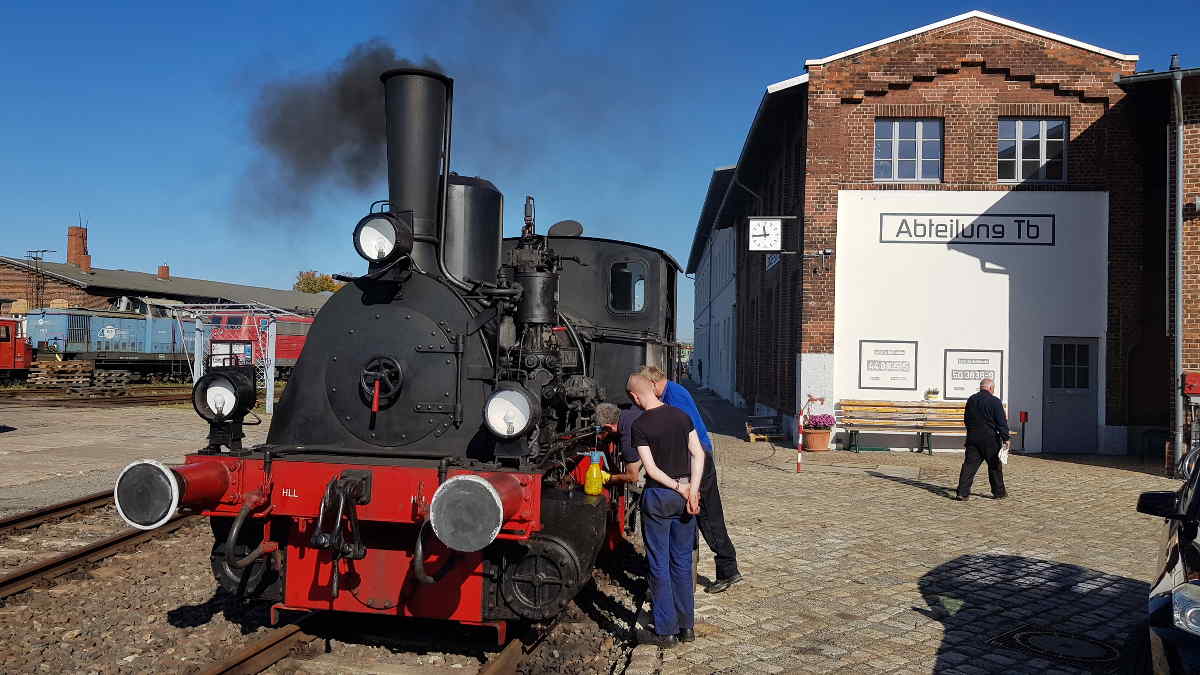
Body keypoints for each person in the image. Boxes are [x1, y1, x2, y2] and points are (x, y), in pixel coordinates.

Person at [638, 365, 742, 593]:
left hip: (698, 461)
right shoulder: (673, 391)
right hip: (696, 458)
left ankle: (728, 569)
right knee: (706, 515)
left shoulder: (674, 397)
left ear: (653, 384)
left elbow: (682, 433)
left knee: (708, 516)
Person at [628, 374, 705, 648]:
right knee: (682, 562)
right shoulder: (681, 416)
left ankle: (666, 631)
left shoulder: (640, 425)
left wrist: (677, 487)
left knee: (659, 563)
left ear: (635, 397)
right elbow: (699, 454)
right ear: (653, 388)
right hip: (685, 496)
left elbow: (650, 470)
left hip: (660, 496)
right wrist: (692, 489)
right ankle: (687, 627)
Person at [955, 378, 1010, 501]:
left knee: (969, 466)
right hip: (990, 439)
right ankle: (999, 492)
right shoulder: (995, 401)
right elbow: (1001, 422)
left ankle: (962, 492)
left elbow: (966, 419)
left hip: (973, 438)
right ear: (990, 388)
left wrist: (972, 432)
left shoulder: (971, 400)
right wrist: (1006, 438)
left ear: (981, 387)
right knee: (994, 466)